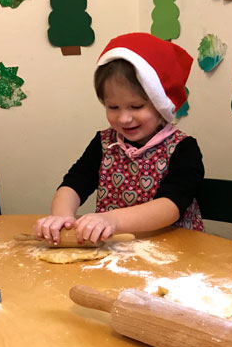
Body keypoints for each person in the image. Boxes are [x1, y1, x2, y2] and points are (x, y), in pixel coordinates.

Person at [34, 33, 204, 244]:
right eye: (113, 107)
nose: (124, 118)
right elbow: (75, 183)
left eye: (136, 106)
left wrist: (112, 220)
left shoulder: (183, 148)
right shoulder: (105, 143)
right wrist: (62, 215)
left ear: (161, 106)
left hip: (173, 251)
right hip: (117, 250)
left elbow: (171, 206)